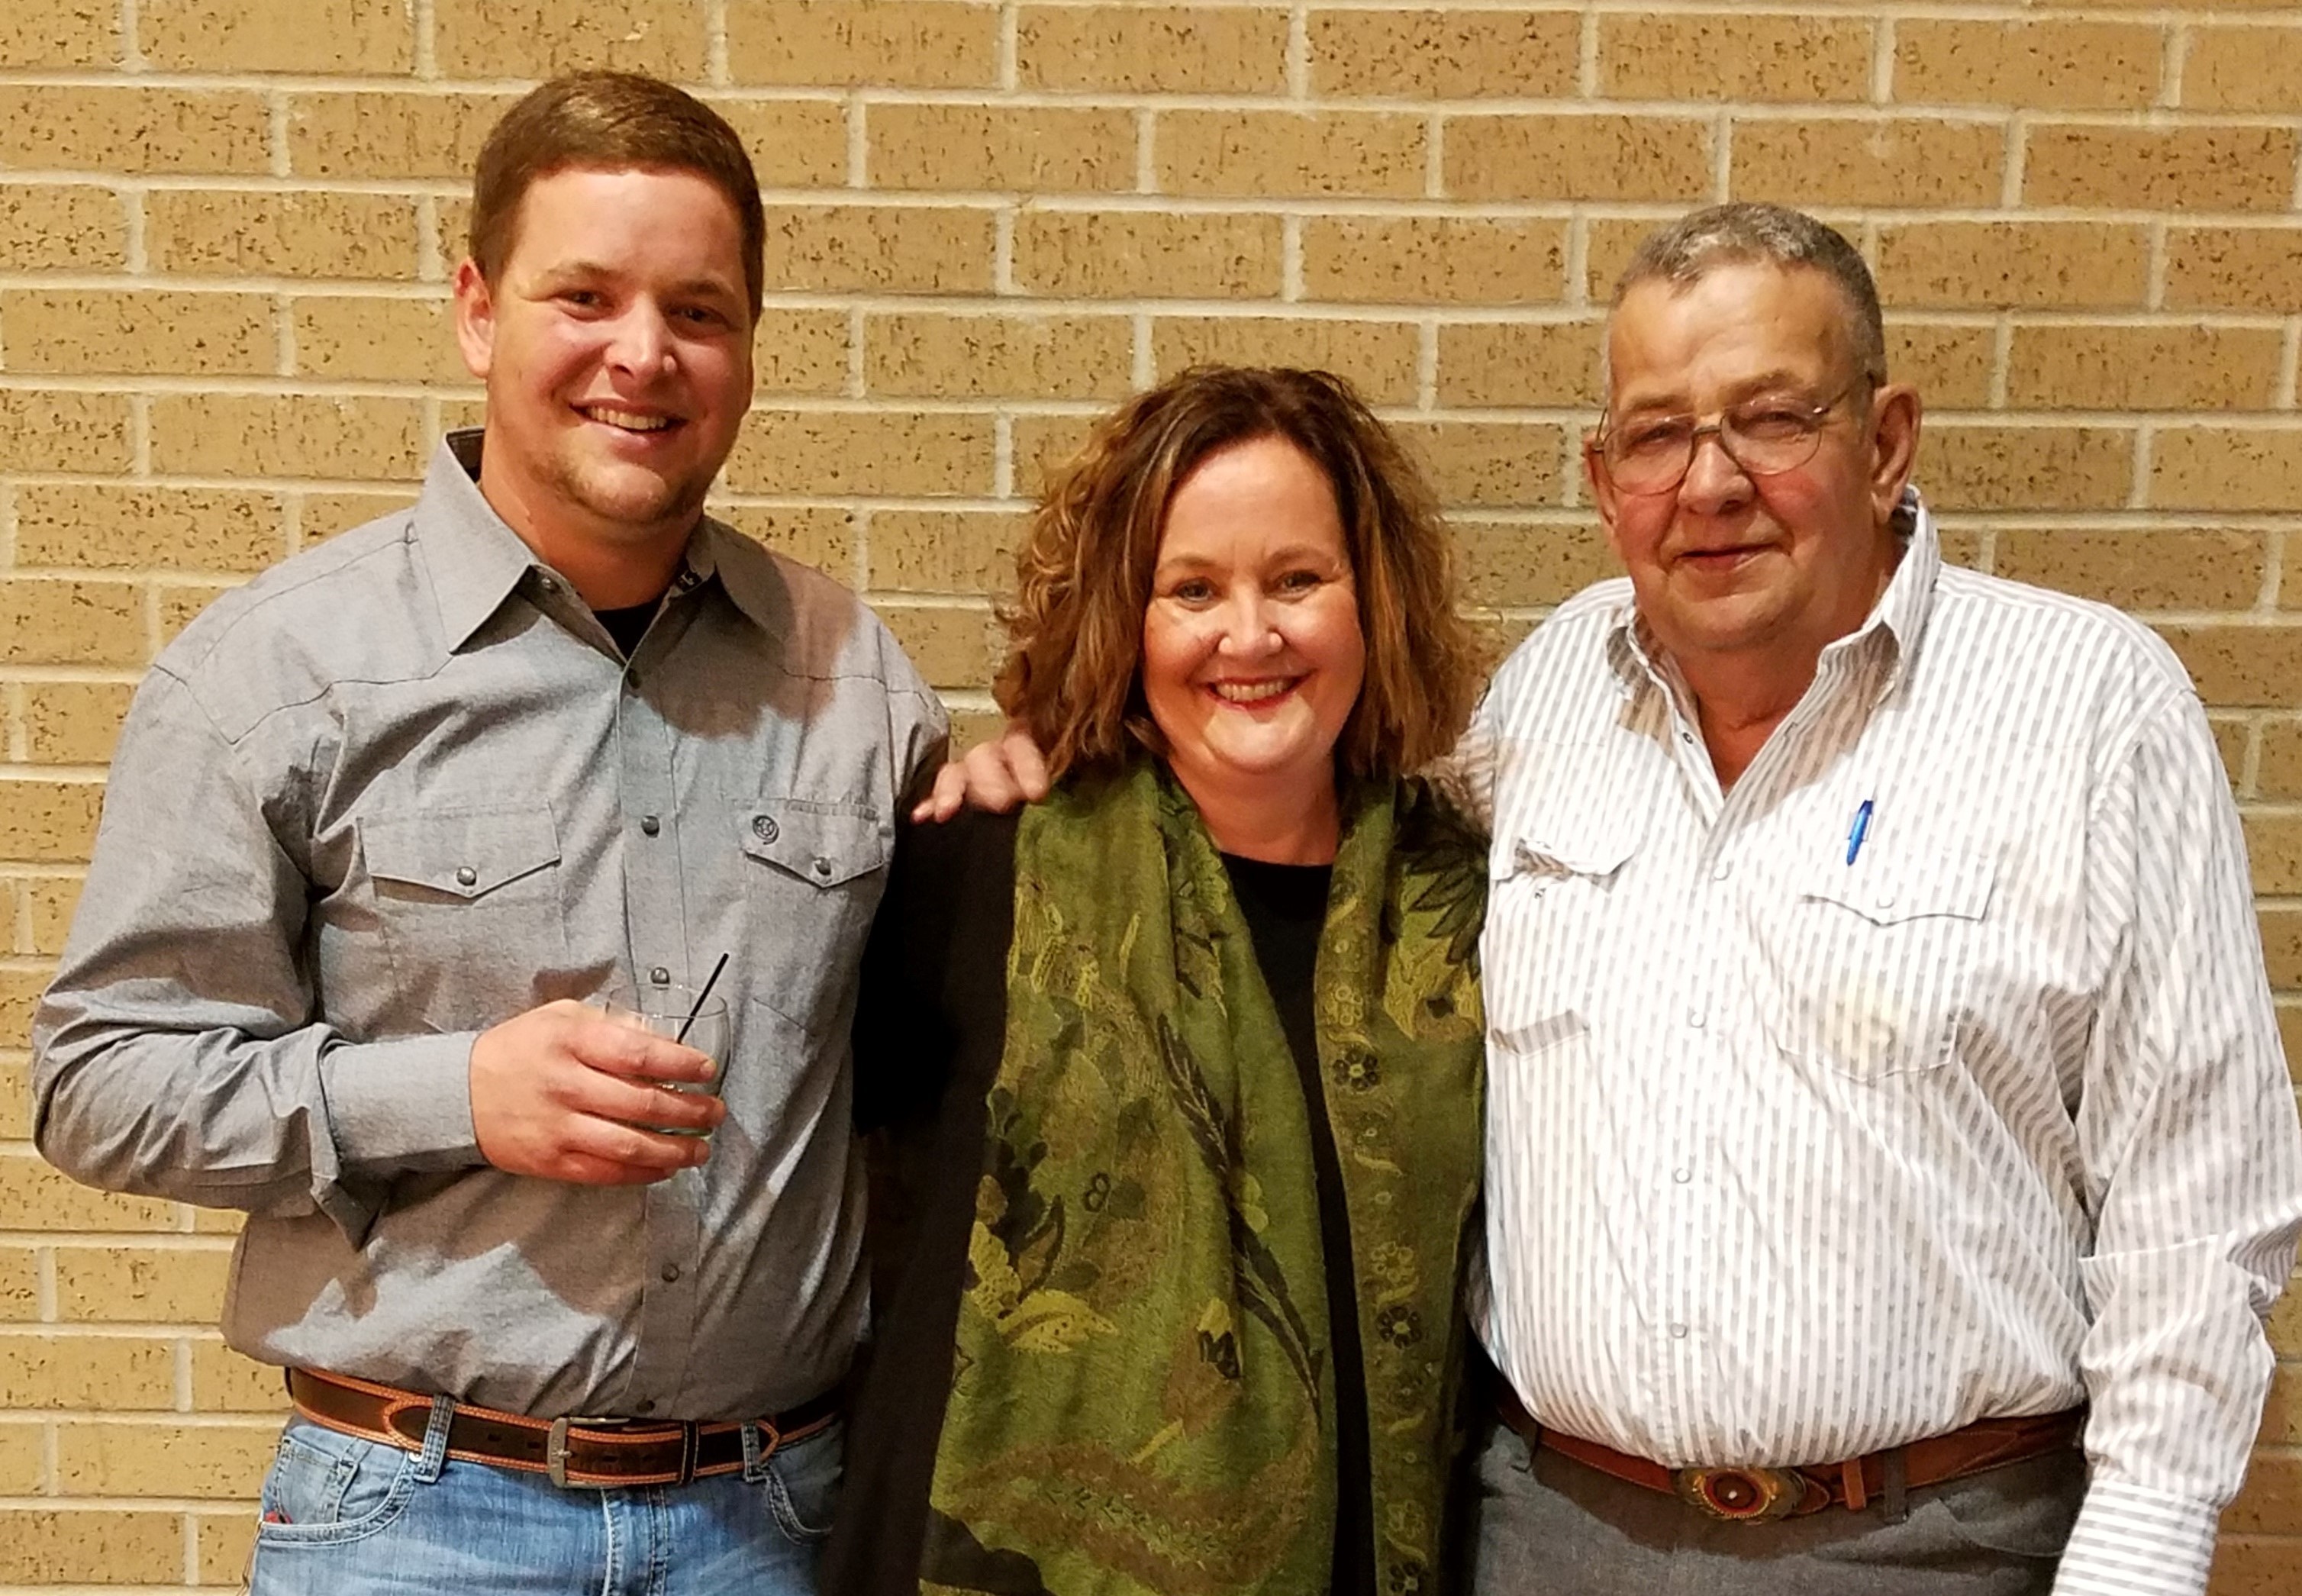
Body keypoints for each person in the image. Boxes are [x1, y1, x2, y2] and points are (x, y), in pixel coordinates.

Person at [923, 204, 2302, 1596]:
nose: (1710, 485)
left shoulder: (2090, 711)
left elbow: (2200, 1206)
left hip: (1937, 1545)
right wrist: (1054, 742)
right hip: (1549, 1537)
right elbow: (1282, 775)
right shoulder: (1541, 709)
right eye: (1657, 435)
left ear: (1884, 443)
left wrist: (2138, 1559)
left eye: (1771, 418)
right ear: (1602, 475)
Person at [31, 73, 945, 1596]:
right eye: (583, 294)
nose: (641, 354)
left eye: (699, 311)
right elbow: (101, 1081)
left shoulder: (854, 676)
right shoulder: (274, 672)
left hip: (773, 1519)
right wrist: (448, 1090)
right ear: (476, 306)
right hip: (413, 1519)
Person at [826, 366, 1490, 1596]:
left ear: (1372, 600)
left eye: (1299, 578)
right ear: (1125, 620)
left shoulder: (1471, 906)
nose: (1251, 635)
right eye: (1192, 590)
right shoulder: (981, 872)